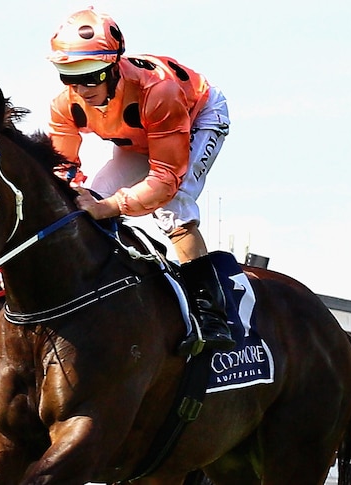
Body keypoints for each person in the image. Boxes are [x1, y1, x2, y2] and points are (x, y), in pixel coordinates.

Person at [46, 7, 234, 356]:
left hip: (197, 118)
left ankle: (212, 315)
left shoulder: (158, 92)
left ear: (113, 66)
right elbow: (63, 168)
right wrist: (78, 194)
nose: (81, 89)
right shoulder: (64, 105)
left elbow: (165, 180)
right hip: (142, 137)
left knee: (172, 210)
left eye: (90, 75)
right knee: (79, 211)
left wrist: (110, 206)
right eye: (68, 75)